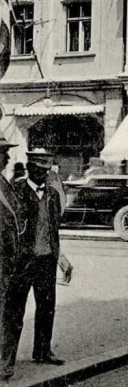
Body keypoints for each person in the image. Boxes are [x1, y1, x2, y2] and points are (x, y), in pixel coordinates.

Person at [3, 149, 65, 373]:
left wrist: (60, 258)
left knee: (47, 307)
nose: (43, 175)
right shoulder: (16, 191)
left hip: (46, 260)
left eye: (46, 171)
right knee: (14, 311)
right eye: (38, 170)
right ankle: (5, 360)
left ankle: (43, 350)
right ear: (29, 169)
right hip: (22, 262)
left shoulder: (53, 195)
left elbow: (53, 228)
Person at [0, 138, 23, 380]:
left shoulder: (4, 183)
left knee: (10, 316)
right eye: (3, 153)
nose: (7, 158)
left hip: (10, 265)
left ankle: (5, 364)